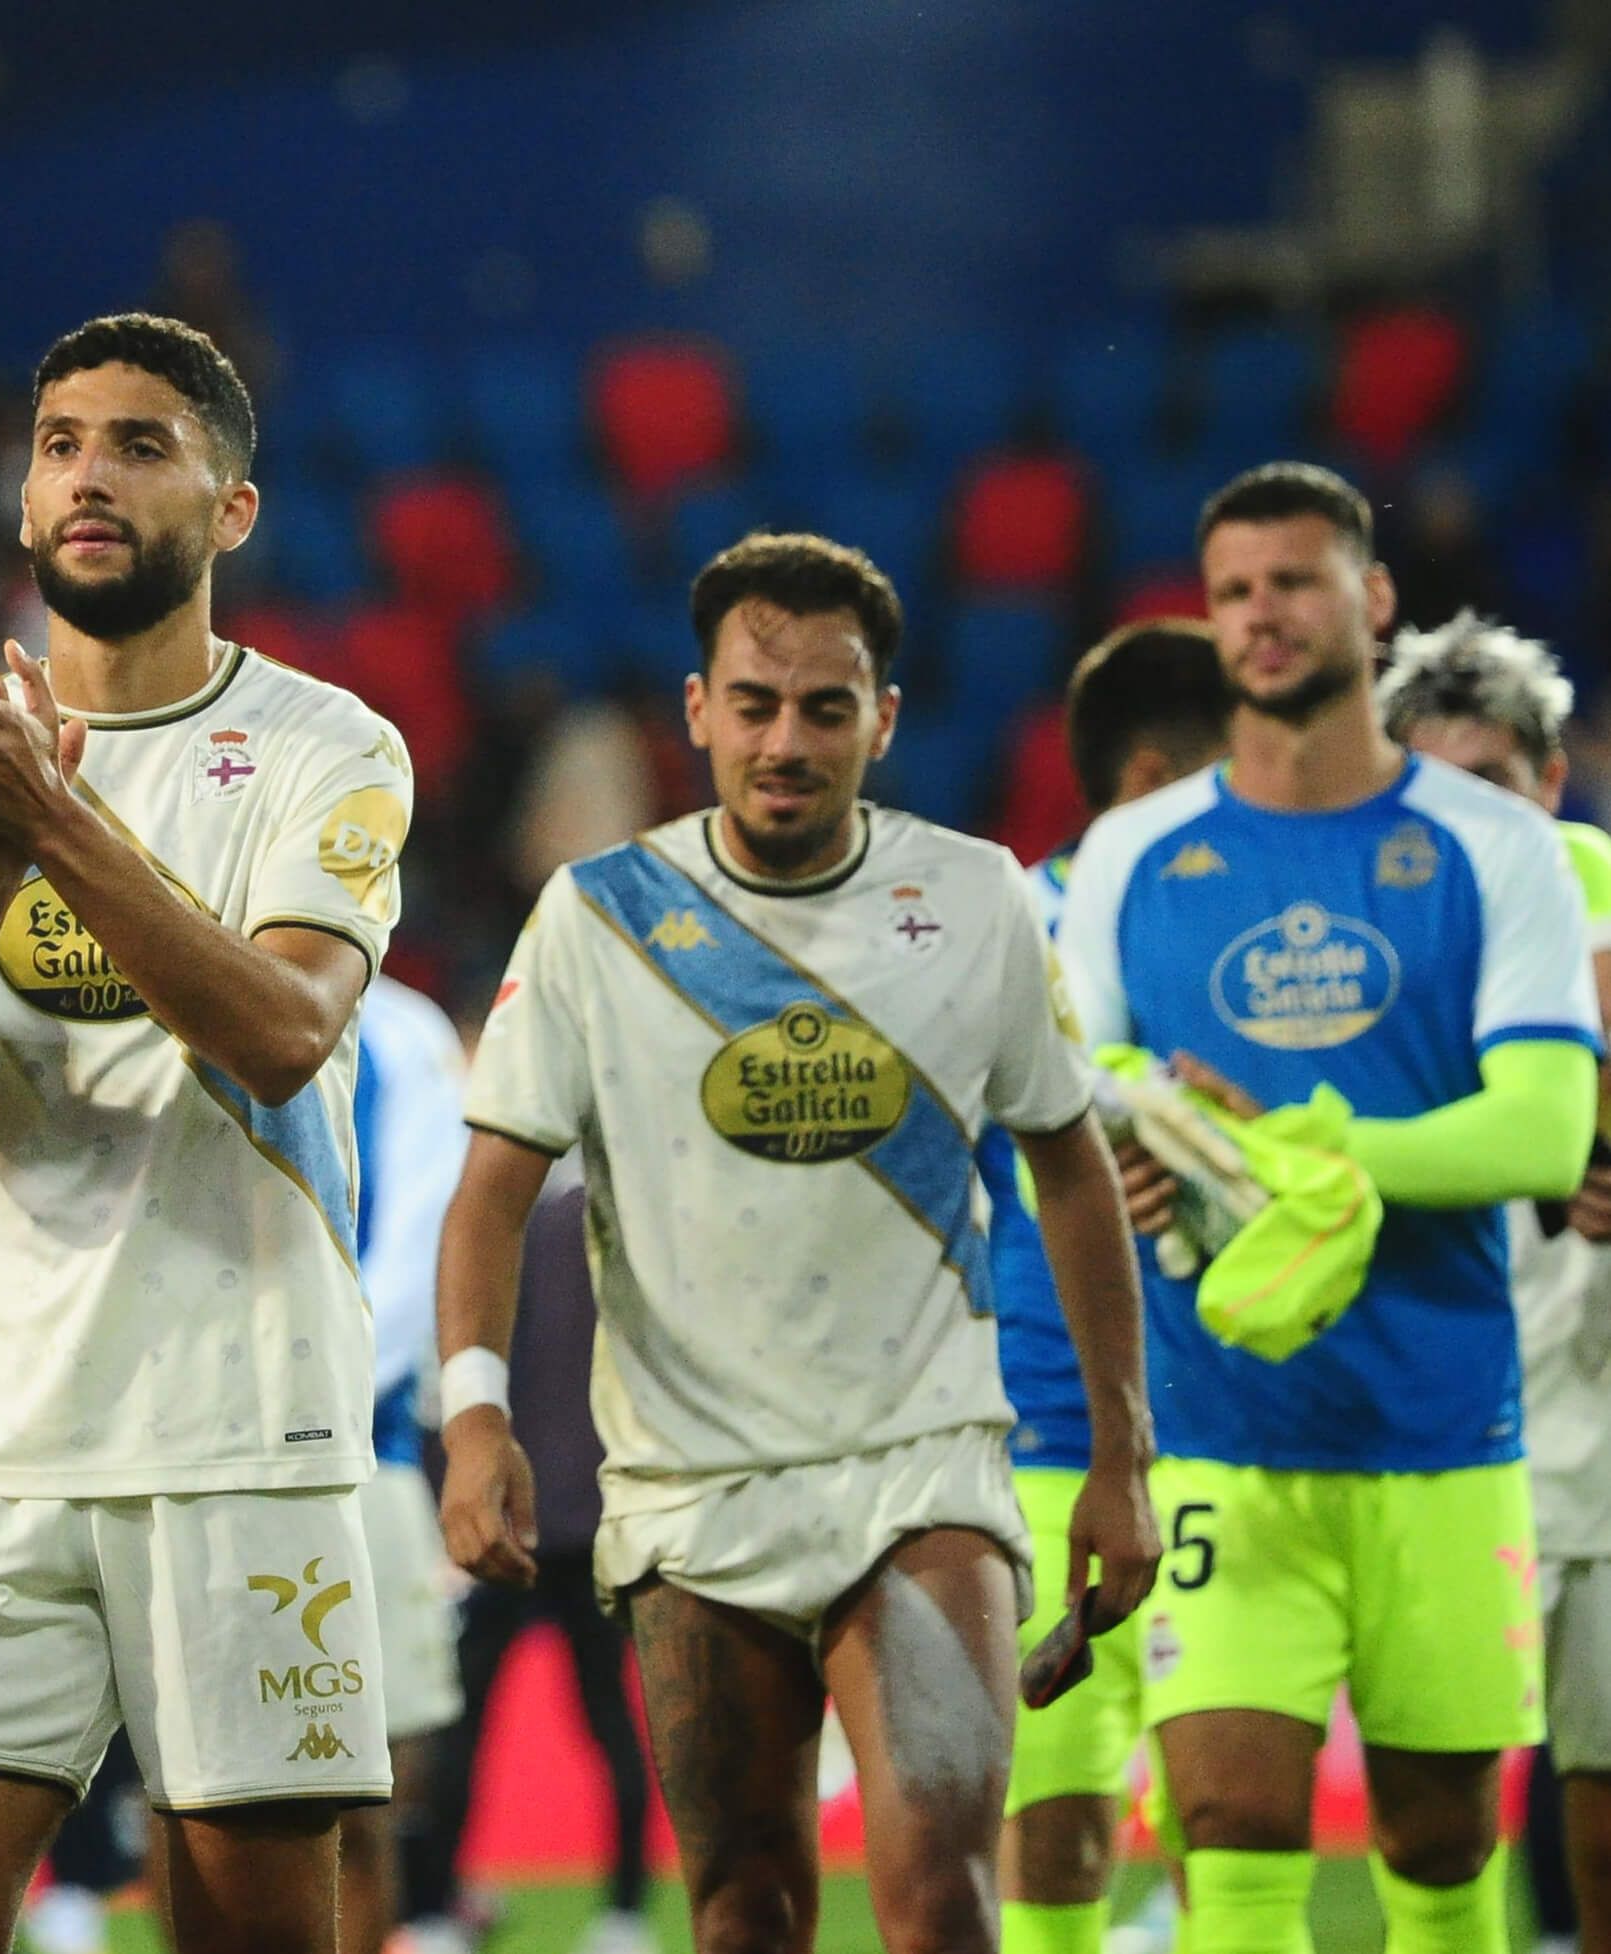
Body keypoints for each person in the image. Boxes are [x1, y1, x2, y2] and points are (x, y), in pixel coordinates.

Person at [439, 531, 1161, 1954]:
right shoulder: (596, 922)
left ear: (881, 719)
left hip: (920, 1464)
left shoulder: (973, 897)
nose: (785, 739)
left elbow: (1071, 1171)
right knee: (741, 1907)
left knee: (939, 1892)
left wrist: (1119, 1453)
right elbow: (488, 1192)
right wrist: (473, 1419)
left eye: (825, 707)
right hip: (688, 1484)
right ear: (695, 708)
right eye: (753, 702)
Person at [0, 312, 412, 1954]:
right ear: (19, 499)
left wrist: (53, 824)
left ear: (229, 508)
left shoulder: (327, 748)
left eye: (141, 443)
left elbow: (284, 1033)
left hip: (237, 1437)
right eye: (61, 441)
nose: (89, 473)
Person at [1057, 465, 1598, 1954]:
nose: (1258, 617)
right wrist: (1145, 1140)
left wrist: (1286, 1146)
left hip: (1443, 1431)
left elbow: (1543, 1123)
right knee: (1229, 1824)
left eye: (1290, 583)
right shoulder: (1129, 855)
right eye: (1229, 591)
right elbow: (1077, 1085)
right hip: (1219, 1428)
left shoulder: (1496, 852)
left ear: (1368, 600)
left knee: (1439, 1835)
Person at [986, 620, 1231, 1954]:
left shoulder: (1252, 929)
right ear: (1148, 778)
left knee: (1227, 1807)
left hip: (1241, 1425)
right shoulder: (1006, 923)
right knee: (1054, 1816)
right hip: (1043, 1422)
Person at [1376, 610, 1611, 1953]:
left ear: (1548, 783)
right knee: (1437, 1810)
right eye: (1438, 788)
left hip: (1594, 1413)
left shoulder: (1596, 894)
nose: (1472, 822)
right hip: (1440, 1423)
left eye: (1495, 787)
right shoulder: (1358, 941)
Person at [402, 1159, 654, 1954]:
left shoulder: (477, 1211)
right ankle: (623, 1914)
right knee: (604, 1723)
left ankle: (440, 1910)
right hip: (583, 1515)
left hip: (505, 1518)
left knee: (461, 1727)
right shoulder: (612, 1210)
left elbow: (437, 1373)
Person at [339, 973, 471, 1954]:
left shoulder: (399, 1031)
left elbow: (424, 1251)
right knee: (193, 1784)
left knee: (367, 1778)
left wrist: (293, 1389)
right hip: (180, 1451)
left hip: (358, 1450)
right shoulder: (143, 991)